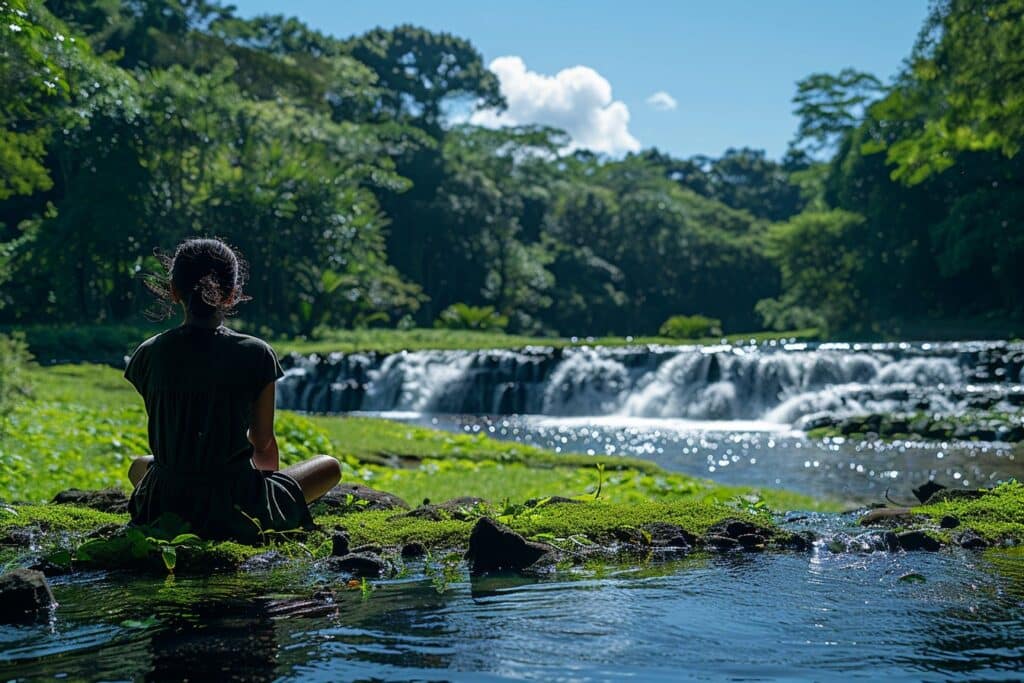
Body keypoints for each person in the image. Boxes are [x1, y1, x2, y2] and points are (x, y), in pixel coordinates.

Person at [124, 237, 340, 543]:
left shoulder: (148, 353)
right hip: (234, 503)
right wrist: (266, 495)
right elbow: (262, 444)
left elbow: (175, 436)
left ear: (173, 291)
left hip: (165, 501)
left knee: (140, 466)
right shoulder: (256, 353)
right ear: (232, 294)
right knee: (329, 467)